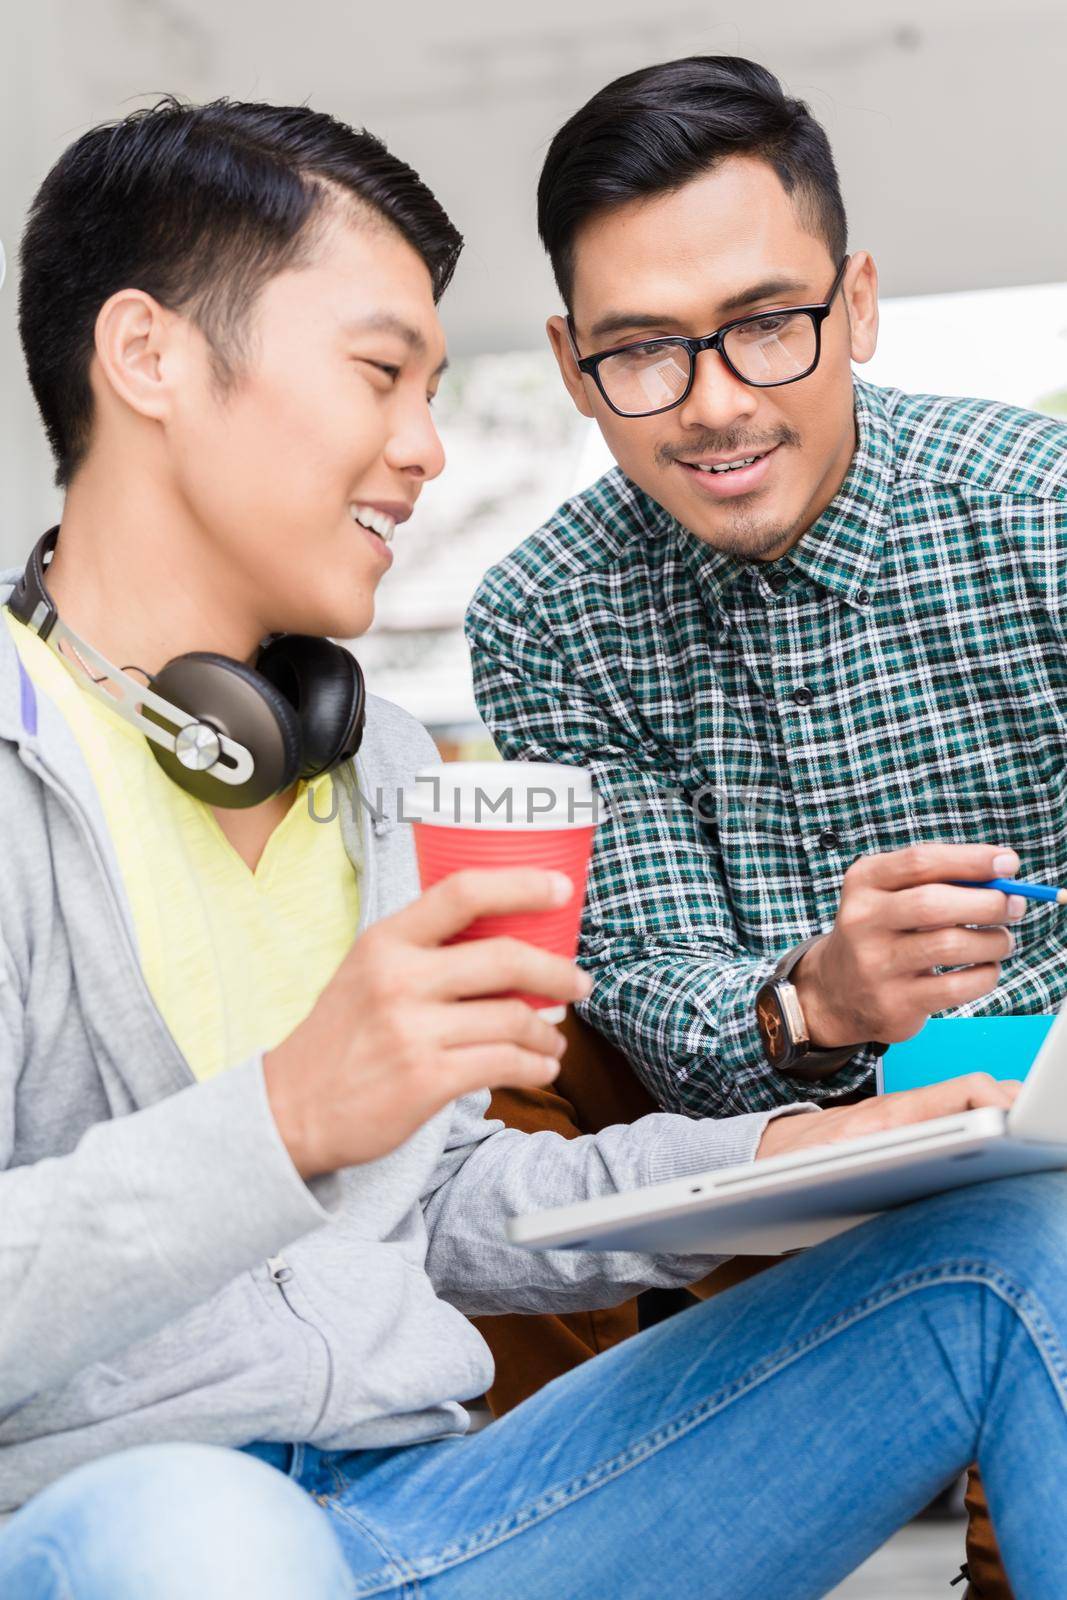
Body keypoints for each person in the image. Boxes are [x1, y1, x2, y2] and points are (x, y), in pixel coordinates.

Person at [0, 95, 1063, 1600]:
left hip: (434, 1509)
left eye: (434, 385)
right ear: (149, 355)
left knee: (1022, 1252)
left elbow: (439, 1203)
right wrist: (289, 1116)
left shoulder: (366, 765)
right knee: (203, 1541)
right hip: (133, 1530)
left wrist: (785, 1148)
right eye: (382, 373)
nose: (429, 450)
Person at [463, 53, 1067, 1596]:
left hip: (1051, 1134)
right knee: (494, 1048)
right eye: (644, 354)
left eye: (767, 327)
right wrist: (816, 1001)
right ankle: (549, 1524)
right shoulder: (546, 612)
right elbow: (646, 976)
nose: (715, 404)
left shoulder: (1041, 510)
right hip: (747, 1149)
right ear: (570, 358)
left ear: (856, 303)